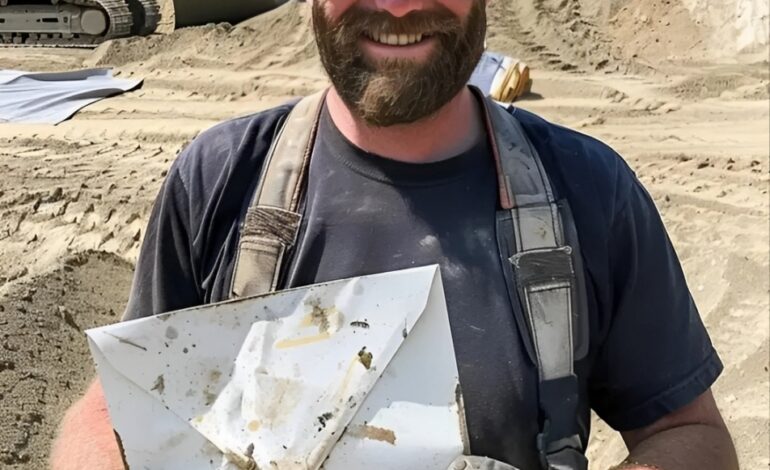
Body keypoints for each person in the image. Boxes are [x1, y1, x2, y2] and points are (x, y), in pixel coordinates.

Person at [50, 1, 739, 469]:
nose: (400, 6)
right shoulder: (221, 177)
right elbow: (119, 407)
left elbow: (688, 434)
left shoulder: (588, 190)